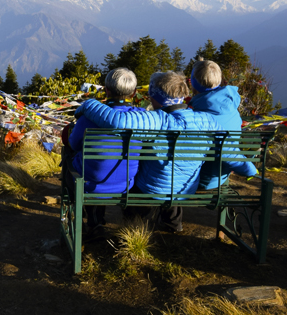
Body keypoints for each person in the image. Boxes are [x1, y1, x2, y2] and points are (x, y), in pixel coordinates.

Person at [73, 71, 254, 232]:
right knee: (175, 172)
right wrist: (250, 170)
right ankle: (172, 224)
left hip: (151, 187)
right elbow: (229, 151)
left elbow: (116, 120)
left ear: (156, 97)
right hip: (186, 188)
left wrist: (88, 105)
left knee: (140, 173)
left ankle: (134, 225)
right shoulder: (207, 120)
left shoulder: (157, 120)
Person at [61, 68, 143, 233]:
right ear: (134, 93)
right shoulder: (141, 119)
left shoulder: (89, 118)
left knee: (75, 158)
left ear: (106, 90)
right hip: (126, 183)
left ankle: (90, 220)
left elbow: (74, 144)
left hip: (89, 185)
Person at [188, 58, 257, 189]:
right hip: (221, 176)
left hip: (198, 178)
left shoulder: (195, 115)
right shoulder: (232, 109)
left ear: (193, 83)